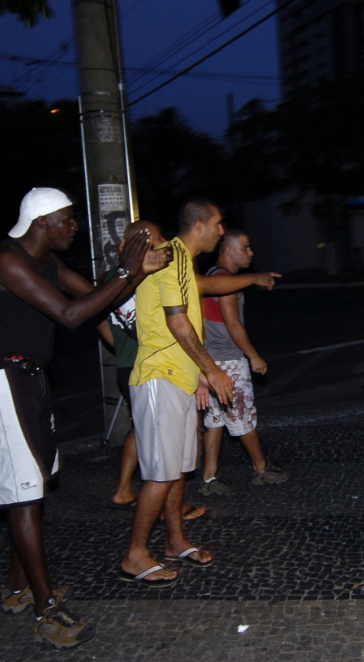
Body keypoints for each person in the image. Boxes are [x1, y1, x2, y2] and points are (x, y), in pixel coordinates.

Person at [0, 187, 171, 649]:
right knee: (23, 494)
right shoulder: (6, 260)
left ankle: (18, 589)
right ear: (42, 223)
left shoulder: (47, 262)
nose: (73, 226)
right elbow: (71, 313)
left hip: (30, 378)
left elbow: (96, 296)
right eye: (67, 219)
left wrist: (136, 277)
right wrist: (126, 270)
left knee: (32, 486)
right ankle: (46, 612)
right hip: (1, 380)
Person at [121, 198, 279, 587]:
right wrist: (212, 369)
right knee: (160, 474)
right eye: (218, 223)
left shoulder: (181, 262)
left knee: (177, 471)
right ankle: (135, 554)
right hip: (159, 376)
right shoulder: (168, 256)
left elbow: (203, 295)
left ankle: (174, 540)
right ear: (200, 226)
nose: (222, 230)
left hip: (181, 378)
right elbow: (177, 323)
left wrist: (200, 375)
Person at [101, 221, 205, 520]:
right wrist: (130, 346)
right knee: (157, 453)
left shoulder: (126, 274)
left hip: (144, 363)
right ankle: (143, 534)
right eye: (159, 237)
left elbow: (99, 318)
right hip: (147, 365)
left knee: (144, 432)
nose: (165, 241)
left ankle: (127, 491)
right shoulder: (129, 275)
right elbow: (94, 312)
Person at [200, 229, 289, 496]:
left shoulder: (214, 275)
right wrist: (253, 356)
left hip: (210, 361)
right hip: (227, 361)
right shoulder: (225, 280)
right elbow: (233, 325)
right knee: (243, 418)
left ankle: (209, 477)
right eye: (245, 248)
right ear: (228, 250)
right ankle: (261, 469)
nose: (251, 253)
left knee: (215, 421)